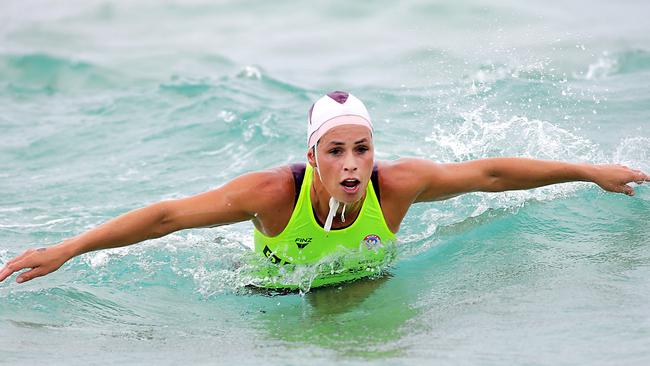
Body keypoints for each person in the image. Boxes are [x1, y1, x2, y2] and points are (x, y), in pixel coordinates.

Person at [1, 91, 648, 287]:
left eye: (361, 149)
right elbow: (168, 217)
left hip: (365, 281)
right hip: (271, 290)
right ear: (312, 157)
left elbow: (491, 175)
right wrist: (68, 248)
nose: (351, 165)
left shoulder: (398, 185)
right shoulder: (270, 194)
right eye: (335, 151)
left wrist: (589, 170)